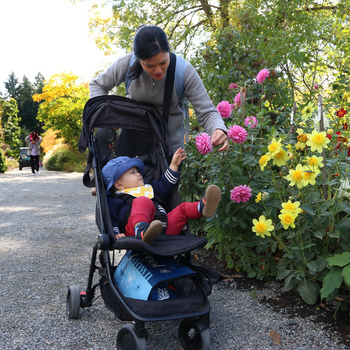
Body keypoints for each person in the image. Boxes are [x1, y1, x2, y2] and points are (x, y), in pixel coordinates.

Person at [89, 24, 229, 153]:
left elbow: (207, 112)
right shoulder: (127, 64)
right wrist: (107, 116)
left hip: (169, 153)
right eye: (149, 66)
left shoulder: (183, 71)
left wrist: (218, 128)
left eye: (163, 62)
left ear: (168, 51)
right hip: (131, 149)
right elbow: (97, 85)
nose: (158, 70)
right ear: (138, 59)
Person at [102, 148, 221, 244]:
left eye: (138, 171)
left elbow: (166, 185)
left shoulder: (149, 189)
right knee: (142, 201)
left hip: (165, 228)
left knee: (182, 208)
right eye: (132, 172)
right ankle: (142, 230)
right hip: (134, 232)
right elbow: (110, 219)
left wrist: (174, 165)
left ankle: (203, 206)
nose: (139, 174)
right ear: (119, 184)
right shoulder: (116, 200)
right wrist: (114, 233)